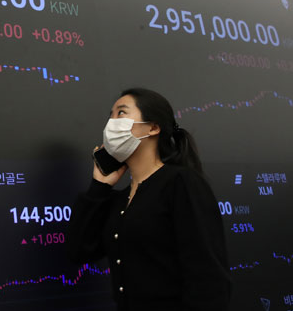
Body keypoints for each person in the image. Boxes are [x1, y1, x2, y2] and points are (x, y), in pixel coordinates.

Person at [67, 88, 231, 311]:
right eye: (110, 115)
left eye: (121, 113)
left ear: (153, 127)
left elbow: (208, 278)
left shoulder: (181, 182)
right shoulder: (120, 199)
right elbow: (78, 250)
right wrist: (99, 186)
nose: (112, 123)